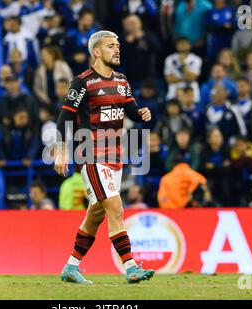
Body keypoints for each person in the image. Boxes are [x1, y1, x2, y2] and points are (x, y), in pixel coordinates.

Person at [54, 30, 153, 284]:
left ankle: (71, 266)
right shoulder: (82, 82)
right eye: (111, 46)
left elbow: (131, 111)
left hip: (115, 156)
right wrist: (62, 150)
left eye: (118, 45)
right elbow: (64, 118)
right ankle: (131, 267)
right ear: (96, 52)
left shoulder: (122, 80)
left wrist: (141, 112)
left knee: (96, 214)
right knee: (115, 208)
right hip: (91, 155)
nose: (117, 49)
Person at [119, 14, 161, 90]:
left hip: (148, 76)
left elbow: (158, 48)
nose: (133, 26)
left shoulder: (149, 35)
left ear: (140, 23)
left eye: (134, 23)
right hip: (129, 76)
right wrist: (128, 42)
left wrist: (144, 37)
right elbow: (119, 56)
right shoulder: (121, 39)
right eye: (130, 23)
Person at [163, 37, 202, 102]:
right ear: (176, 46)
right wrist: (185, 79)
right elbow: (168, 79)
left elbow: (192, 78)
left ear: (190, 45)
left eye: (185, 43)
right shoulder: (169, 59)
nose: (183, 45)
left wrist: (183, 64)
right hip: (174, 88)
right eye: (180, 44)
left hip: (191, 88)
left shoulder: (196, 59)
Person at [63, 8, 97, 75]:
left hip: (90, 74)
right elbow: (63, 56)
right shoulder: (70, 35)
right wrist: (74, 58)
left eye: (91, 20)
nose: (90, 22)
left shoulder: (95, 36)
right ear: (80, 20)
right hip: (72, 73)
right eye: (87, 19)